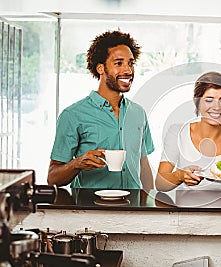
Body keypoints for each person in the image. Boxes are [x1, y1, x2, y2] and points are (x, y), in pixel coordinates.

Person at [47, 30, 154, 191]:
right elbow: (53, 178)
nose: (128, 70)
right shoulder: (73, 115)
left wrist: (149, 205)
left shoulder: (138, 113)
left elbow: (143, 163)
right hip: (89, 210)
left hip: (133, 210)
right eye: (119, 63)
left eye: (130, 63)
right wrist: (77, 164)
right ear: (100, 68)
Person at [156, 71, 221, 192]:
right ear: (197, 102)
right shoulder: (177, 132)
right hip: (184, 210)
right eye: (209, 100)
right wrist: (179, 175)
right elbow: (160, 183)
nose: (217, 107)